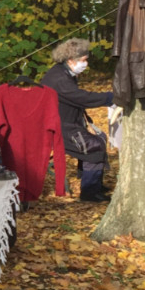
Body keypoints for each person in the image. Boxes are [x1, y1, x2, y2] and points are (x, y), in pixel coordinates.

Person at [40, 38, 114, 202]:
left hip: (67, 123)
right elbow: (81, 98)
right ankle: (89, 192)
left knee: (98, 139)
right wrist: (110, 97)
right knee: (93, 147)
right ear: (70, 60)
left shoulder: (64, 72)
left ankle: (93, 183)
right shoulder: (59, 78)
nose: (85, 64)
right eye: (83, 60)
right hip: (59, 127)